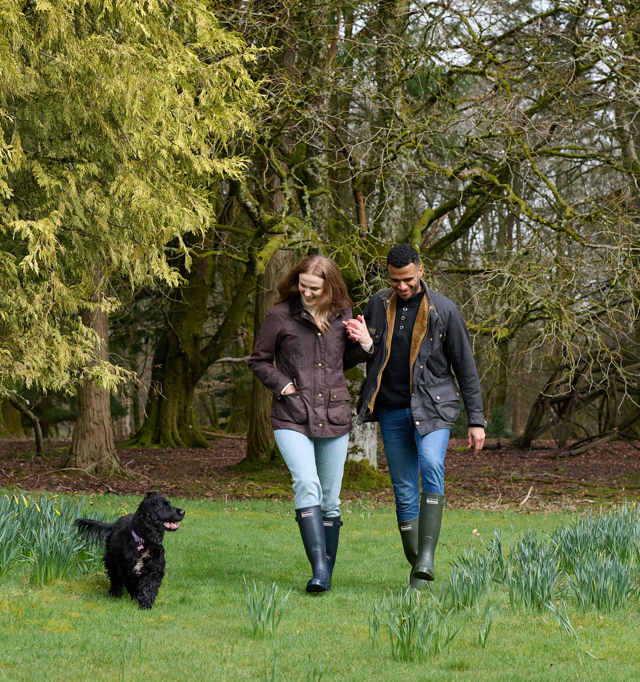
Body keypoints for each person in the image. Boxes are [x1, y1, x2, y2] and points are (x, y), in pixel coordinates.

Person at [344, 244, 485, 589]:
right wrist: (363, 343)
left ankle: (426, 557)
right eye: (395, 281)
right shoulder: (377, 305)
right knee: (403, 487)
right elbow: (357, 357)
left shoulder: (444, 310)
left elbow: (465, 368)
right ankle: (418, 564)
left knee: (431, 463)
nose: (402, 286)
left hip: (434, 408)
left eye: (407, 279)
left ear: (420, 270)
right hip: (391, 408)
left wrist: (476, 420)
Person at [248, 255, 370, 593]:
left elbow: (343, 362)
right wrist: (282, 384)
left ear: (330, 287)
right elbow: (258, 361)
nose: (308, 294)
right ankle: (318, 570)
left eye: (314, 288)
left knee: (331, 500)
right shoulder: (279, 316)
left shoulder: (342, 314)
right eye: (303, 286)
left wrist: (365, 343)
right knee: (306, 483)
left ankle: (325, 575)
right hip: (292, 414)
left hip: (334, 415)